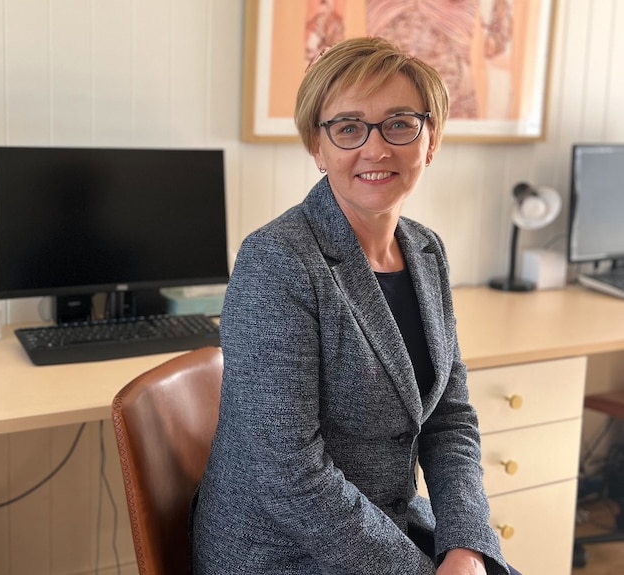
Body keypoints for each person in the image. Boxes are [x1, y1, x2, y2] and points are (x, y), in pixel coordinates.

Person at [191, 37, 517, 574]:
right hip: (279, 551)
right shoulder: (277, 260)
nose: (375, 148)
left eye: (399, 123)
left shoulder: (426, 251)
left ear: (429, 140)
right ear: (318, 149)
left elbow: (449, 419)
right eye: (347, 128)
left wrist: (467, 546)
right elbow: (287, 474)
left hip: (381, 524)